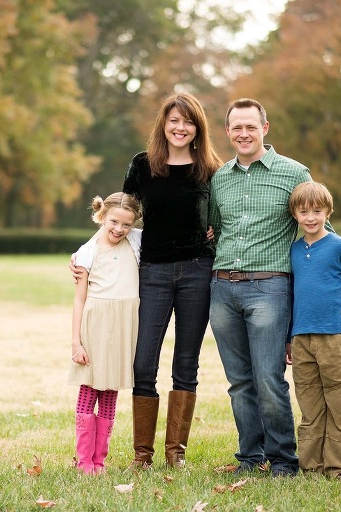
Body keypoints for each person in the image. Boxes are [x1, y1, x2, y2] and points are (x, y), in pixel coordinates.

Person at [73, 93, 222, 468]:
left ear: (198, 128)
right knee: (143, 365)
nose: (180, 128)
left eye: (188, 122)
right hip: (153, 272)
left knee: (186, 364)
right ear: (163, 124)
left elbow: (223, 216)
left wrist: (214, 233)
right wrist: (85, 254)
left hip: (197, 271)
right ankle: (143, 454)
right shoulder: (143, 165)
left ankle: (175, 453)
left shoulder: (209, 169)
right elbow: (119, 214)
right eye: (174, 120)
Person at [208, 97, 341, 477]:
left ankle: (284, 459)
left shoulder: (293, 173)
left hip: (268, 288)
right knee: (239, 382)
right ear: (227, 131)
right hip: (222, 290)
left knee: (268, 378)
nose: (244, 133)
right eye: (237, 127)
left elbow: (322, 231)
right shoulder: (219, 179)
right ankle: (250, 456)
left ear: (264, 128)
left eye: (251, 126)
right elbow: (215, 231)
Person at [288, 181, 341, 479]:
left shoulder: (340, 247)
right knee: (310, 404)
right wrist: (288, 338)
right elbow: (291, 295)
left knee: (338, 403)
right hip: (301, 338)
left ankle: (337, 468)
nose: (310, 217)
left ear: (328, 212)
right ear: (295, 214)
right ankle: (311, 467)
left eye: (317, 211)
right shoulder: (294, 250)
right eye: (304, 211)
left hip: (334, 336)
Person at [69, 192, 143, 474]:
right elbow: (79, 299)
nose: (119, 229)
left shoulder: (136, 241)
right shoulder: (87, 252)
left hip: (124, 325)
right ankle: (84, 461)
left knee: (111, 390)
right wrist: (76, 342)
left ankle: (99, 460)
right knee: (90, 388)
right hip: (96, 325)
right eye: (113, 222)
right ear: (102, 216)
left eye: (126, 224)